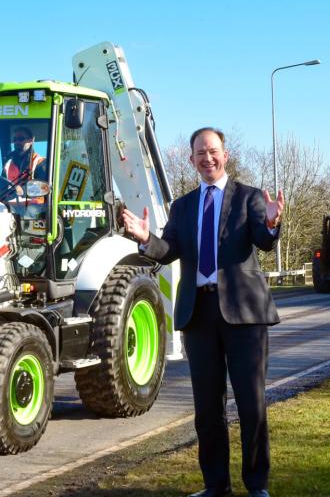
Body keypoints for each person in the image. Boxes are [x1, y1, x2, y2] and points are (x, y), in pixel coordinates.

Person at [121, 127, 284, 497]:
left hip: (245, 315)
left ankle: (257, 486)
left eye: (213, 151)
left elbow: (264, 241)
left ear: (225, 155)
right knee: (207, 409)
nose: (207, 158)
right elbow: (168, 251)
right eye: (200, 153)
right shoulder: (183, 206)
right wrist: (146, 238)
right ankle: (216, 486)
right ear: (191, 160)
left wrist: (272, 222)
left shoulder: (250, 197)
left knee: (251, 404)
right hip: (198, 314)